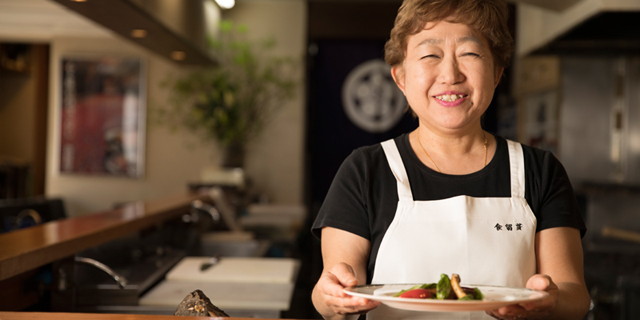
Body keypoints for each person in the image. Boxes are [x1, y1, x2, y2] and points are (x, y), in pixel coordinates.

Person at [311, 0, 591, 319]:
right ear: (400, 77)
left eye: (469, 54)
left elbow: (574, 293)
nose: (450, 74)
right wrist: (331, 296)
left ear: (497, 73)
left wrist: (551, 301)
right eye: (430, 55)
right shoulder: (365, 170)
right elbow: (331, 292)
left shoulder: (540, 170)